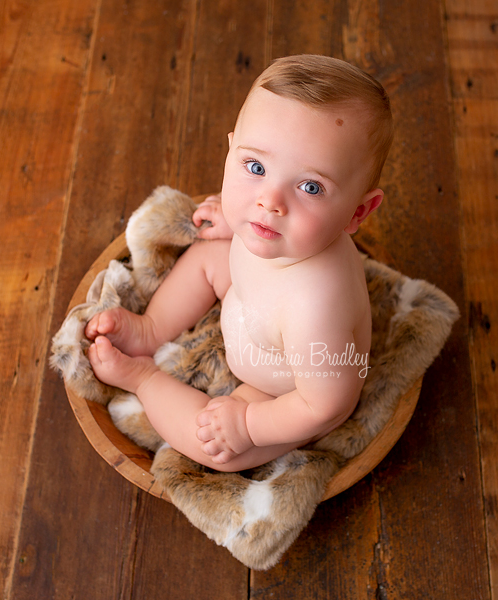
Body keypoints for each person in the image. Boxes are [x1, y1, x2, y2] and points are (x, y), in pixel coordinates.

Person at [85, 55, 393, 472]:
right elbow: (254, 207)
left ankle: (143, 378)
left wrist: (248, 423)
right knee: (211, 254)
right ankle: (150, 330)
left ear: (358, 212)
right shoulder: (276, 227)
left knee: (220, 449)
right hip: (255, 314)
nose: (269, 202)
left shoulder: (318, 305)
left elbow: (324, 404)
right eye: (255, 167)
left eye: (310, 186)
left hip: (281, 391)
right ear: (232, 150)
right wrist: (231, 219)